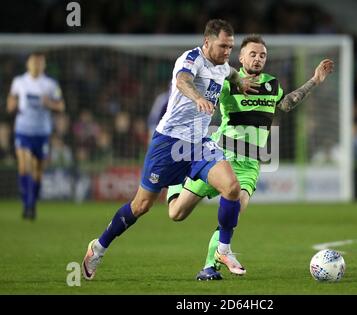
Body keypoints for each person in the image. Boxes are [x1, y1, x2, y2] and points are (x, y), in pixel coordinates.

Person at [81, 19, 259, 280]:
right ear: (207, 42)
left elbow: (230, 72)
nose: (226, 52)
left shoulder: (223, 67)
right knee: (141, 206)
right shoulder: (191, 59)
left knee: (232, 188)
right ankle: (98, 247)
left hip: (199, 143)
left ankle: (223, 249)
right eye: (222, 46)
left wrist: (240, 82)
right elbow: (183, 81)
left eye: (230, 47)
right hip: (169, 142)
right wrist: (197, 97)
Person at [166, 34, 334, 280]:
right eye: (252, 54)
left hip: (249, 165)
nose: (257, 59)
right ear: (241, 57)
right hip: (219, 158)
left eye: (262, 55)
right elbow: (203, 94)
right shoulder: (227, 83)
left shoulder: (272, 85)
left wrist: (315, 80)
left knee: (232, 216)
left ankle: (210, 267)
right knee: (176, 214)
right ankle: (175, 181)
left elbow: (286, 104)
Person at [6, 51, 65, 220]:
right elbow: (11, 100)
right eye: (34, 62)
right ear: (28, 64)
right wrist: (11, 105)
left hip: (42, 132)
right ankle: (28, 205)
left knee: (38, 170)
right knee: (24, 166)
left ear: (43, 65)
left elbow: (61, 106)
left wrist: (50, 103)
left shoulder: (50, 84)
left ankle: (32, 201)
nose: (36, 65)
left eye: (40, 62)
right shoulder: (19, 82)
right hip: (23, 130)